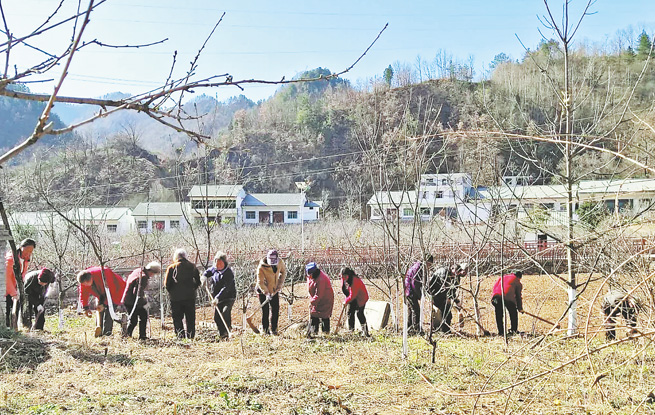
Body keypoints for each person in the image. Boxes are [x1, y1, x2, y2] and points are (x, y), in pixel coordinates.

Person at [77, 266, 127, 337]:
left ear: (89, 280)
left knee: (109, 312)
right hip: (101, 292)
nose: (84, 286)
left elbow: (111, 290)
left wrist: (103, 304)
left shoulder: (104, 274)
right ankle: (99, 331)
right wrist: (85, 308)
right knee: (100, 311)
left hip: (116, 291)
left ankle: (107, 334)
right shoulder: (84, 277)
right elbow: (83, 293)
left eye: (85, 284)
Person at [164, 248, 201, 339]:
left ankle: (180, 336)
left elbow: (166, 284)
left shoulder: (172, 268)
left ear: (176, 257)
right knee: (190, 318)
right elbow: (198, 281)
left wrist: (172, 292)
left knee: (177, 318)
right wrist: (193, 289)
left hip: (176, 298)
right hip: (190, 297)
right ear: (185, 256)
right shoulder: (192, 266)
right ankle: (191, 336)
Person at [121, 261, 161, 340]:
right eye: (153, 274)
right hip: (132, 301)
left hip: (128, 299)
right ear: (151, 271)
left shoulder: (138, 270)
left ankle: (130, 335)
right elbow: (137, 292)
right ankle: (130, 335)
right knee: (137, 319)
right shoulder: (143, 277)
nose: (152, 276)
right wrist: (144, 302)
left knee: (139, 317)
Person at [202, 251, 236, 339]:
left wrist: (217, 297)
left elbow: (226, 288)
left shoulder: (228, 273)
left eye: (220, 263)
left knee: (225, 313)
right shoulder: (214, 269)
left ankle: (228, 330)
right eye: (216, 263)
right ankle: (222, 334)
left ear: (224, 263)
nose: (218, 265)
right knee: (217, 318)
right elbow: (208, 271)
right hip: (217, 297)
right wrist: (204, 277)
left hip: (228, 297)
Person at [428, 263, 468, 333]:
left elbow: (452, 290)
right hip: (435, 293)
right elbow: (444, 288)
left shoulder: (456, 276)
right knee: (443, 313)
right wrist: (447, 297)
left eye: (458, 273)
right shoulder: (444, 273)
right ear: (452, 269)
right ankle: (440, 330)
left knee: (447, 313)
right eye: (456, 272)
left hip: (443, 295)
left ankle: (444, 330)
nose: (457, 274)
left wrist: (456, 301)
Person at [5, 238, 36, 327]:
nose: (28, 253)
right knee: (6, 311)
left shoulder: (26, 259)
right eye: (27, 250)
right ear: (21, 247)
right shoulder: (11, 258)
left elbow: (22, 275)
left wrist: (18, 289)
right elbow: (6, 278)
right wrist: (13, 293)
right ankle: (7, 332)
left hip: (14, 288)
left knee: (14, 310)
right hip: (5, 289)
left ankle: (13, 329)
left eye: (31, 251)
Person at [256, 249, 286, 335]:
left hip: (274, 290)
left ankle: (274, 329)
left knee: (275, 309)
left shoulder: (280, 262)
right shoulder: (261, 267)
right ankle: (265, 330)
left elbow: (283, 272)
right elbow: (260, 282)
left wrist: (279, 285)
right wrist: (266, 293)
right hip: (262, 291)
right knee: (265, 311)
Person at [404, 254, 433, 334]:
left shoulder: (419, 267)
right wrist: (420, 295)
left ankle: (409, 328)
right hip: (410, 291)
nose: (429, 266)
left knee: (411, 309)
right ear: (426, 261)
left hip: (409, 290)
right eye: (429, 264)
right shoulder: (418, 268)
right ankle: (416, 329)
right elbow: (415, 283)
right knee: (416, 310)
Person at [491, 270, 523, 336]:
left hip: (496, 297)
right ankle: (513, 331)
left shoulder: (502, 277)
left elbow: (495, 287)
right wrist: (520, 308)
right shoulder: (517, 282)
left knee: (499, 315)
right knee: (513, 313)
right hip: (507, 297)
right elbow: (518, 296)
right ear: (519, 277)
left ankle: (501, 332)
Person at [340, 267, 370, 337]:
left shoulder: (355, 281)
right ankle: (351, 331)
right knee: (350, 313)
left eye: (344, 276)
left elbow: (353, 294)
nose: (343, 278)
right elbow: (345, 289)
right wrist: (347, 298)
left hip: (361, 298)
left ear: (349, 275)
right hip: (352, 297)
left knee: (359, 313)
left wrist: (346, 301)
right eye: (342, 276)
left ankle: (365, 332)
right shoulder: (344, 279)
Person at [306, 262, 334, 335]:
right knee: (314, 315)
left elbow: (319, 294)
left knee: (324, 316)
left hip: (325, 299)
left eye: (310, 274)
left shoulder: (321, 279)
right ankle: (314, 333)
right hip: (316, 299)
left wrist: (312, 302)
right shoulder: (311, 276)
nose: (309, 276)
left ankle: (326, 334)